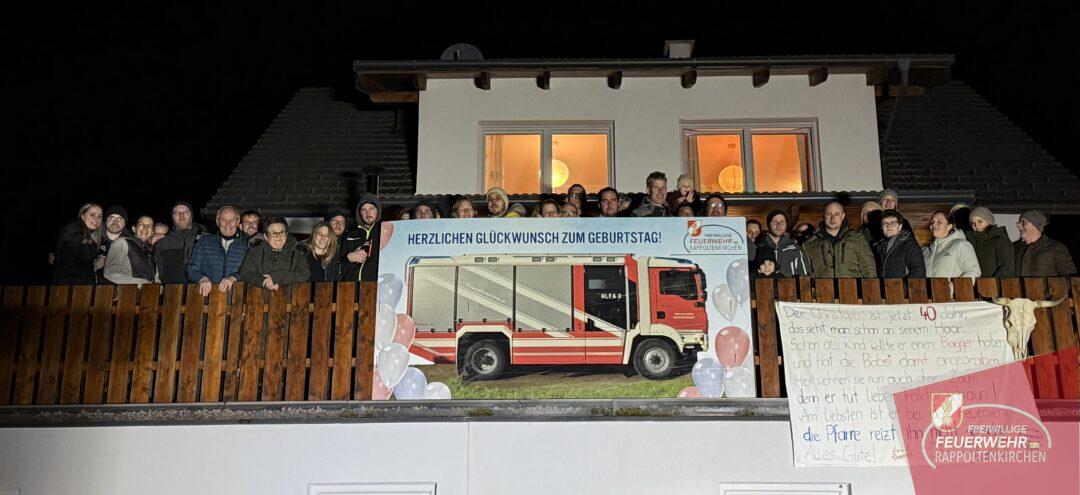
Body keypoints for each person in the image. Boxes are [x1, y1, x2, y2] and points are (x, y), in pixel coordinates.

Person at [803, 201, 877, 278]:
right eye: (828, 214)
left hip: (852, 285)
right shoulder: (809, 244)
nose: (832, 218)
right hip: (822, 285)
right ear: (823, 216)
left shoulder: (857, 238)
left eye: (837, 214)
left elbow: (869, 269)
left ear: (843, 216)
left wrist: (868, 285)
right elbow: (806, 275)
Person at [186, 206, 247, 296]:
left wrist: (234, 277)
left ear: (238, 222)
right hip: (209, 298)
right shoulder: (204, 242)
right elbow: (191, 270)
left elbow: (252, 271)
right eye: (223, 220)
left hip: (238, 298)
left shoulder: (248, 244)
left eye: (232, 220)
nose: (228, 224)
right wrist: (202, 278)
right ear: (217, 221)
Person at [239, 217, 310, 290]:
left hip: (290, 296)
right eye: (273, 233)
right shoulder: (255, 250)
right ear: (266, 236)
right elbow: (245, 273)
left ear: (286, 234)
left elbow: (305, 274)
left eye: (282, 232)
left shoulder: (297, 251)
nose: (278, 236)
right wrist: (264, 281)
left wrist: (277, 277)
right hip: (258, 295)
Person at [52, 203, 104, 285]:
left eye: (99, 216)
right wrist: (95, 266)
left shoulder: (85, 233)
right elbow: (67, 268)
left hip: (76, 287)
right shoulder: (75, 235)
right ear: (82, 216)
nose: (96, 219)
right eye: (92, 215)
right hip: (69, 288)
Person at [155, 201, 207, 284]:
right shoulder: (162, 244)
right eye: (177, 212)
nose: (181, 215)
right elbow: (159, 273)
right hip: (172, 290)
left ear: (191, 215)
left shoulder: (206, 239)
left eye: (185, 211)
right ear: (172, 217)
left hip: (201, 289)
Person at [1014, 210, 1077, 277]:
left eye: (1023, 222)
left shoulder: (1055, 248)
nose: (1018, 225)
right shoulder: (1016, 248)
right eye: (1019, 222)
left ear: (1036, 225)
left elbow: (1069, 278)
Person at [923, 211, 981, 278]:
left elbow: (973, 272)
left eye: (939, 222)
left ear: (949, 226)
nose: (933, 224)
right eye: (932, 222)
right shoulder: (926, 251)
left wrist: (953, 285)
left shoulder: (961, 245)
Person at [104, 215, 159, 285]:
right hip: (128, 290)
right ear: (134, 228)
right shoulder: (122, 243)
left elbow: (156, 278)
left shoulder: (150, 250)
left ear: (152, 232)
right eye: (141, 225)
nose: (145, 228)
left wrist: (158, 285)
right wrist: (144, 284)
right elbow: (110, 272)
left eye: (149, 226)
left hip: (148, 291)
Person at [757, 209, 811, 277]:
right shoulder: (759, 247)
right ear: (768, 224)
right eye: (774, 222)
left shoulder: (796, 249)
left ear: (786, 225)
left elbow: (806, 278)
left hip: (790, 284)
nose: (778, 225)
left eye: (782, 222)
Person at [341, 193, 382, 282]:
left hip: (375, 287)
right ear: (359, 213)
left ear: (378, 211)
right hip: (350, 287)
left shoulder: (384, 233)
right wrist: (348, 258)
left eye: (371, 208)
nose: (368, 213)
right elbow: (339, 269)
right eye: (363, 210)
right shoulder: (349, 236)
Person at [874, 210, 925, 278]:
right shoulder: (880, 247)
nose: (889, 226)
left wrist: (902, 285)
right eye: (885, 223)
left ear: (900, 227)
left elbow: (919, 272)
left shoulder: (909, 244)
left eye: (893, 223)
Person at [965, 207, 1015, 277]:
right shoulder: (970, 242)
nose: (977, 226)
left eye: (980, 221)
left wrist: (991, 282)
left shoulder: (1000, 240)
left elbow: (1007, 268)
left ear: (989, 221)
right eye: (973, 223)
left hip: (993, 283)